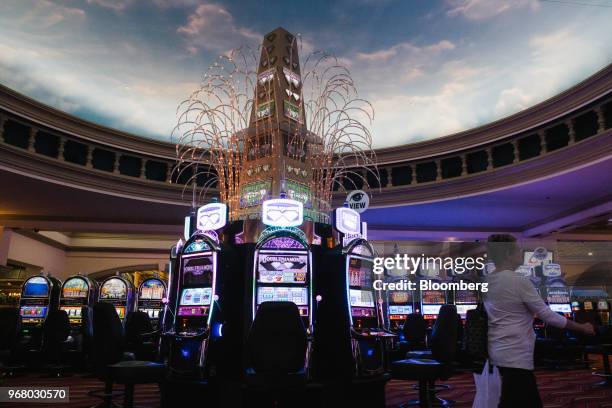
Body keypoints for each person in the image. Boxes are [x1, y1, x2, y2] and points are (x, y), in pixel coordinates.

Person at [484, 234, 594, 408]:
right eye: (518, 250)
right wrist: (581, 327)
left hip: (498, 348)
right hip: (516, 351)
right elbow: (546, 315)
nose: (521, 253)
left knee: (515, 398)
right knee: (520, 400)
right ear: (507, 254)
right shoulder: (518, 280)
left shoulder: (489, 280)